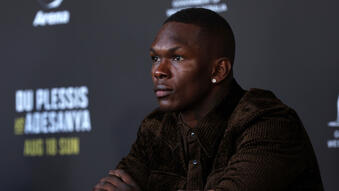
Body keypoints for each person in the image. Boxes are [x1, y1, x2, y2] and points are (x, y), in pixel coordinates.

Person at [93, 8, 324, 191]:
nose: (158, 71)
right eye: (155, 58)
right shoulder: (155, 127)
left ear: (218, 71)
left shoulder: (267, 123)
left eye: (177, 57)